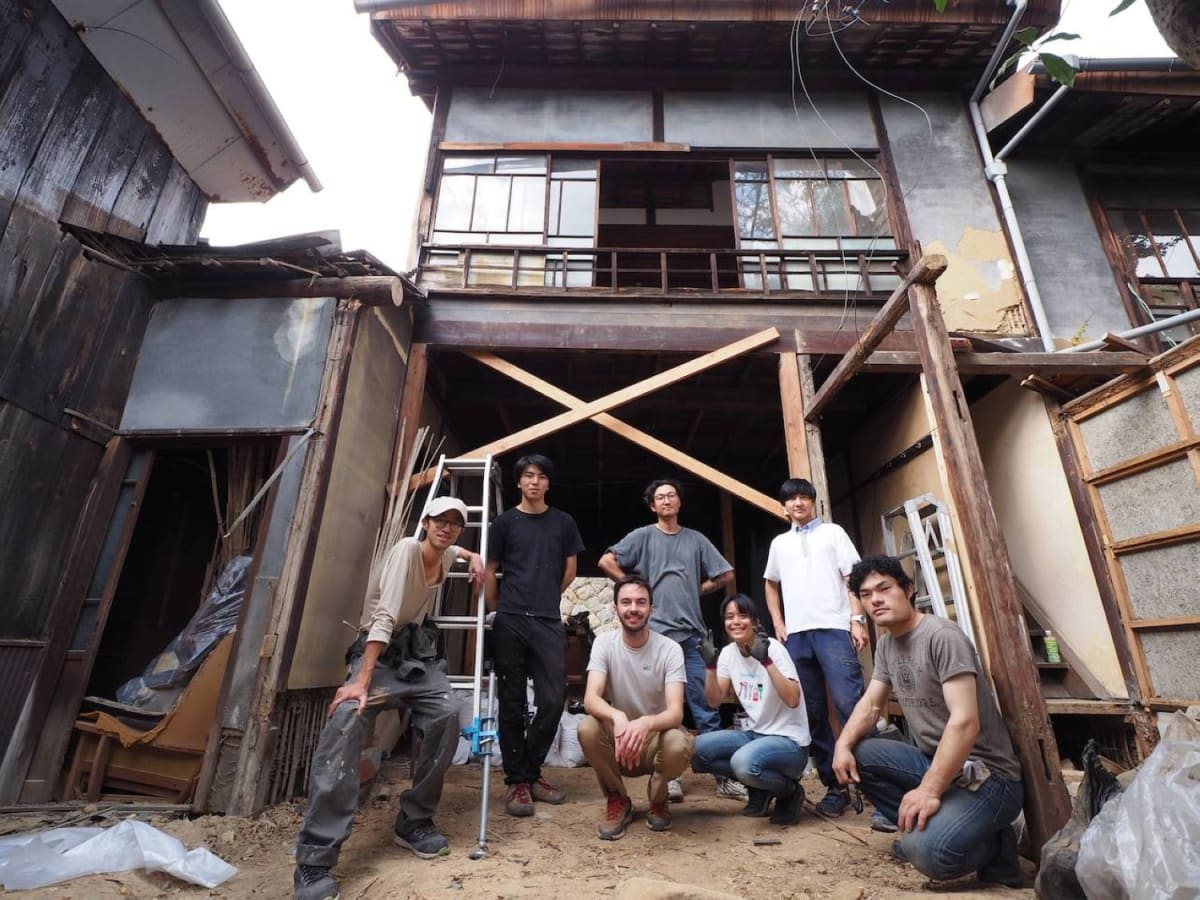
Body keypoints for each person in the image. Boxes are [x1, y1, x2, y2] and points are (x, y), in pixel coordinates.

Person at [293, 497, 485, 900]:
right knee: (346, 719)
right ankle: (314, 860)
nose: (447, 528)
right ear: (425, 522)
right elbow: (384, 616)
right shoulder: (405, 551)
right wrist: (361, 680)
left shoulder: (448, 550)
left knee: (448, 713)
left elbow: (456, 549)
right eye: (440, 521)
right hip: (378, 655)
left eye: (455, 523)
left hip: (417, 656)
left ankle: (414, 821)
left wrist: (475, 557)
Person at [832, 555, 1025, 888]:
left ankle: (995, 846)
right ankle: (923, 823)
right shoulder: (888, 645)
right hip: (937, 763)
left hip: (989, 776)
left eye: (884, 588)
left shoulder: (942, 636)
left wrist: (930, 789)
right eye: (865, 594)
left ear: (908, 589)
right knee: (859, 755)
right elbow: (870, 706)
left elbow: (965, 723)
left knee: (928, 853)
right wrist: (842, 745)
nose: (875, 599)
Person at [598, 478, 741, 802]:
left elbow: (726, 574)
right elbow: (606, 561)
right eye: (660, 497)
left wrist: (698, 589)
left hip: (692, 635)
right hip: (656, 636)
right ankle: (669, 776)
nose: (666, 501)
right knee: (663, 707)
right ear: (652, 505)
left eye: (671, 496)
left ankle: (723, 777)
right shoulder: (643, 536)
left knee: (706, 709)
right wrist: (635, 588)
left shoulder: (695, 540)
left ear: (679, 502)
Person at [485, 453, 585, 817]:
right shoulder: (503, 523)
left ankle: (529, 771)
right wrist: (500, 611)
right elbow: (492, 570)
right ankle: (519, 783)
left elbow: (570, 568)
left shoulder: (563, 522)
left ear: (548, 483)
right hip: (510, 618)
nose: (534, 482)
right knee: (510, 702)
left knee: (553, 698)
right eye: (528, 476)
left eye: (541, 476)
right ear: (519, 482)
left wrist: (546, 596)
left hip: (546, 619)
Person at [763, 477, 868, 818]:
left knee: (850, 702)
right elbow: (771, 584)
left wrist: (857, 619)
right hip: (798, 636)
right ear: (784, 507)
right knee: (811, 713)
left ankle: (877, 781)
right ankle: (834, 787)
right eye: (790, 499)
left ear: (813, 501)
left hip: (834, 628)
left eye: (803, 497)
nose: (797, 503)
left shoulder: (833, 533)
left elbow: (852, 577)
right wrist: (779, 623)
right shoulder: (779, 543)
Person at [579, 574, 694, 840]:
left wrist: (645, 723)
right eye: (626, 602)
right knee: (588, 728)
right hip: (619, 742)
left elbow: (676, 711)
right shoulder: (604, 644)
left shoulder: (670, 649)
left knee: (679, 740)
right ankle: (618, 799)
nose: (633, 609)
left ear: (651, 609)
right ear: (615, 608)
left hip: (655, 742)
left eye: (641, 602)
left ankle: (658, 796)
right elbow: (591, 699)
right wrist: (618, 717)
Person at [692, 594, 812, 825]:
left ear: (756, 622)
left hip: (790, 742)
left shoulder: (774, 649)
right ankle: (760, 789)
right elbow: (715, 701)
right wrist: (709, 666)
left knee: (743, 763)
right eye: (729, 617)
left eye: (742, 615)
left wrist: (766, 662)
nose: (735, 621)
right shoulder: (728, 653)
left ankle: (789, 792)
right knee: (696, 751)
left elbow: (793, 699)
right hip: (756, 735)